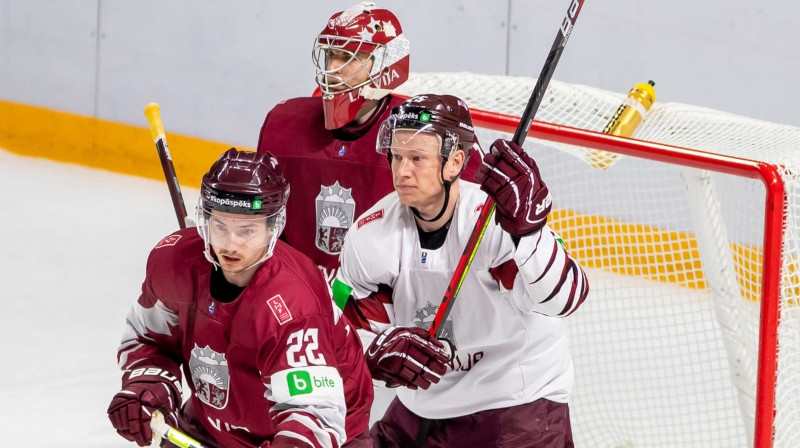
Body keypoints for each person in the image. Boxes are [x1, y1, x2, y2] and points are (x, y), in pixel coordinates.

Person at [332, 94, 590, 447]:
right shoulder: (370, 235)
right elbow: (340, 332)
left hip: (515, 398)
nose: (402, 170)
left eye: (417, 158)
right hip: (423, 403)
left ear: (454, 162)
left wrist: (530, 233)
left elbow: (566, 299)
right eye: (397, 156)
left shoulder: (495, 222)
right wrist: (376, 349)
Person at [107, 148, 373, 448]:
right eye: (220, 226)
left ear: (274, 227)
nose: (230, 245)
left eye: (246, 230)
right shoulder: (174, 263)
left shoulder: (292, 301)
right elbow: (148, 339)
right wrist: (149, 384)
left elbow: (314, 414)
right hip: (210, 426)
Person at [256, 2, 481, 285]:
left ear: (387, 66)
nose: (334, 69)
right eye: (331, 56)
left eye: (350, 57)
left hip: (391, 301)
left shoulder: (429, 136)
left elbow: (467, 235)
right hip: (300, 294)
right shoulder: (283, 123)